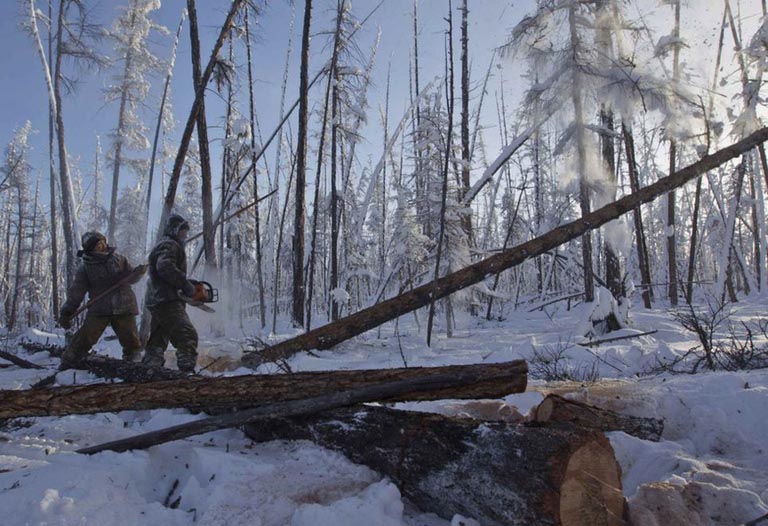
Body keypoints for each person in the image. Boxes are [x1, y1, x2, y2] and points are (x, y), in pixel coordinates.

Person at [59, 232, 146, 369]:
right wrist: (67, 311)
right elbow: (76, 292)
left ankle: (134, 364)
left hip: (124, 305)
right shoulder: (86, 267)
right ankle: (69, 362)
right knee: (86, 337)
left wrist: (138, 273)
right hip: (100, 308)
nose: (102, 245)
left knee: (131, 340)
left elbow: (131, 279)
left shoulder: (119, 259)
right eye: (97, 244)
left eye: (103, 242)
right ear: (90, 249)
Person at [142, 213, 199, 372]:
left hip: (158, 299)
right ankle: (186, 374)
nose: (185, 235)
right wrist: (185, 285)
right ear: (174, 230)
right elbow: (164, 267)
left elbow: (167, 271)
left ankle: (149, 369)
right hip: (166, 300)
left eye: (186, 232)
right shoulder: (169, 245)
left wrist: (186, 283)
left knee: (158, 339)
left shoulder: (165, 245)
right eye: (182, 231)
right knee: (187, 336)